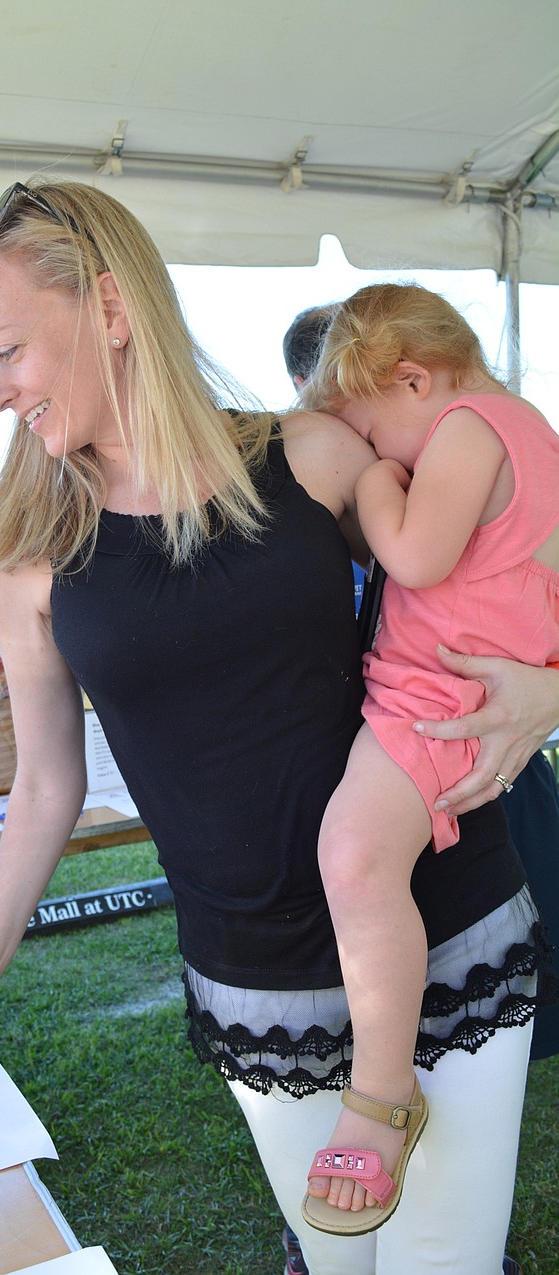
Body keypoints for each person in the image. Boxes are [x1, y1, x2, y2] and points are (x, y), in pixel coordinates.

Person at [0, 182, 559, 1275]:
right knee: (331, 1261)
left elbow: (501, 556)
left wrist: (551, 688)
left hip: (443, 927)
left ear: (113, 309)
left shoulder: (309, 456)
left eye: (8, 349)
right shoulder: (23, 552)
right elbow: (44, 787)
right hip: (257, 975)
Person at [296, 282, 559, 1236]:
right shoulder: (534, 432)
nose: (378, 457)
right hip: (464, 690)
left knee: (352, 856)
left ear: (411, 378)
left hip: (432, 697)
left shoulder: (466, 423)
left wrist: (371, 486)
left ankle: (380, 1090)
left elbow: (412, 559)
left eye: (372, 432)